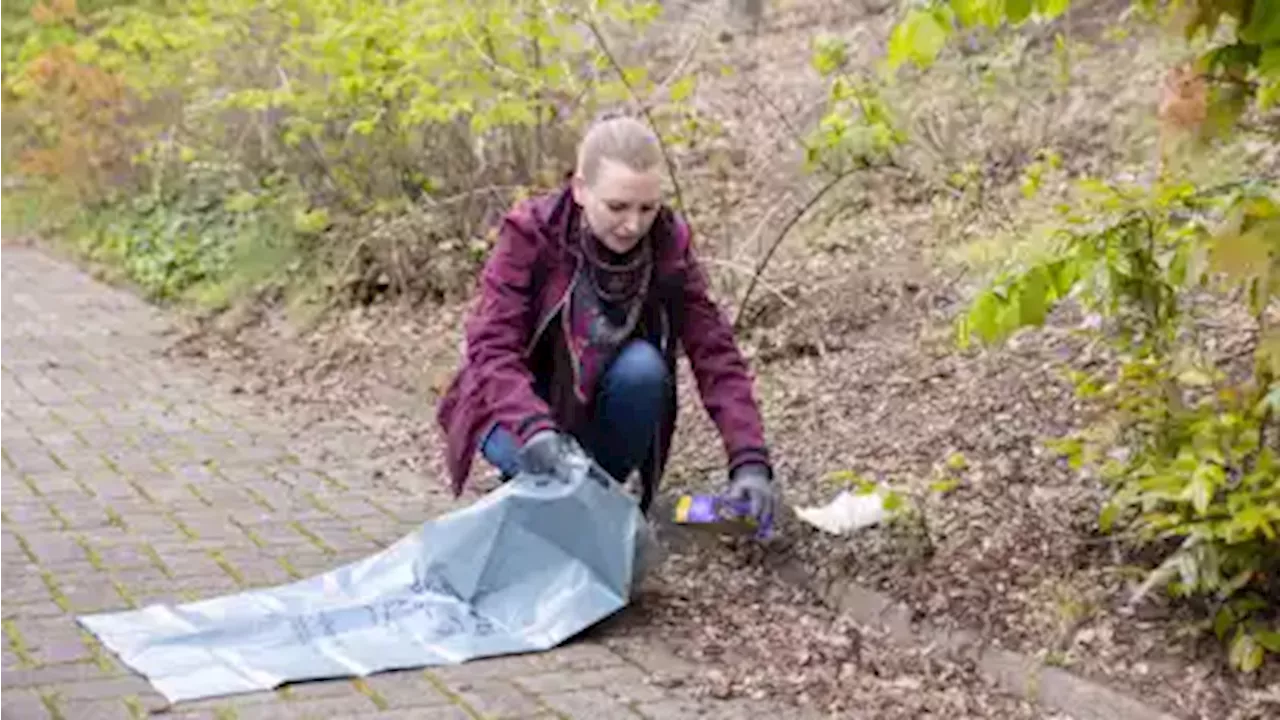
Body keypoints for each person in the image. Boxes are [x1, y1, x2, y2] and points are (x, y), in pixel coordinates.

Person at [436, 114, 779, 527]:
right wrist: (534, 429)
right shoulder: (530, 234)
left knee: (643, 369)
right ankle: (545, 495)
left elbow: (714, 350)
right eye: (617, 206)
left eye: (647, 208)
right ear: (581, 189)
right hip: (510, 410)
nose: (633, 224)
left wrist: (749, 460)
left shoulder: (667, 244)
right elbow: (492, 346)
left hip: (598, 402)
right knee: (545, 478)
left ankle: (585, 501)